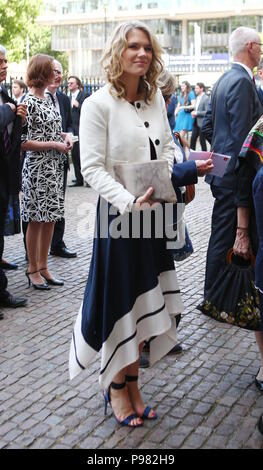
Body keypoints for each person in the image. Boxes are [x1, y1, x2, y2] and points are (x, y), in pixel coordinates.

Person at [69, 21, 213, 428]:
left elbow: (166, 149)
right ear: (119, 52)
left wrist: (167, 174)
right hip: (117, 221)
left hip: (154, 218)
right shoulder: (98, 104)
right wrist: (129, 199)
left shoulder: (153, 100)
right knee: (121, 306)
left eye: (147, 48)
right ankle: (115, 389)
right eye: (133, 46)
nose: (141, 53)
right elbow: (91, 168)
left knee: (147, 306)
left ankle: (134, 385)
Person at [201, 26, 263, 299]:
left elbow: (207, 127)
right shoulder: (241, 82)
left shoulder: (224, 79)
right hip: (233, 178)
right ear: (250, 46)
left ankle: (217, 294)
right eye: (260, 45)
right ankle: (215, 296)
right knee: (224, 237)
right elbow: (242, 143)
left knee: (221, 235)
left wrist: (221, 154)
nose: (261, 51)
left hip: (222, 172)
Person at [21, 54, 71, 290]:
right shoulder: (27, 102)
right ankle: (32, 269)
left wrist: (65, 137)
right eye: (52, 69)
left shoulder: (49, 99)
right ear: (42, 72)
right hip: (37, 168)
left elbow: (52, 130)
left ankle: (44, 266)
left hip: (53, 167)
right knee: (36, 220)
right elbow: (23, 142)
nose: (57, 73)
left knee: (50, 218)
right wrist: (54, 144)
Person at [0, 45, 27, 315]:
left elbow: (11, 134)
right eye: (0, 61)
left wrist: (19, 117)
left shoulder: (3, 93)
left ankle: (2, 291)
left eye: (6, 60)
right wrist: (10, 110)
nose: (5, 65)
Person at [68, 76, 89, 187]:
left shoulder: (84, 95)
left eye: (71, 83)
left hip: (83, 129)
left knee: (83, 154)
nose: (69, 85)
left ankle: (88, 179)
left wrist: (78, 106)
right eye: (68, 83)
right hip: (73, 130)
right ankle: (78, 178)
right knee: (75, 154)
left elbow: (90, 111)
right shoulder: (68, 97)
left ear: (77, 84)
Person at [190, 82, 209, 151]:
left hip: (202, 123)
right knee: (192, 140)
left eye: (197, 88)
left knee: (202, 141)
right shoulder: (197, 97)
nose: (195, 90)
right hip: (195, 122)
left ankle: (205, 158)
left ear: (202, 89)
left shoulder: (206, 98)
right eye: (195, 88)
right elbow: (196, 109)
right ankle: (192, 158)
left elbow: (207, 112)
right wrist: (193, 113)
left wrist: (197, 113)